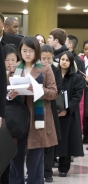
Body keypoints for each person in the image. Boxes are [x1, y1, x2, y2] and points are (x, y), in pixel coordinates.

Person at [8, 36, 58, 184]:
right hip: (18, 118)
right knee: (16, 156)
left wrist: (38, 89)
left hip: (38, 117)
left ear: (36, 51)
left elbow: (54, 92)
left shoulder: (45, 67)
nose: (27, 54)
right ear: (20, 51)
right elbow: (9, 91)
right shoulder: (16, 68)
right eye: (24, 50)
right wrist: (11, 95)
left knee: (36, 158)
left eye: (30, 51)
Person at [54, 51, 84, 177]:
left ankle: (63, 168)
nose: (64, 62)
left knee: (66, 141)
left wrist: (66, 110)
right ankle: (48, 167)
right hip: (54, 113)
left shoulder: (76, 78)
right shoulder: (54, 75)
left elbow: (77, 97)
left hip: (69, 114)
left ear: (71, 62)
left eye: (67, 60)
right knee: (53, 141)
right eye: (62, 59)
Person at [41, 44, 62, 182]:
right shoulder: (35, 68)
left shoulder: (55, 69)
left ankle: (47, 172)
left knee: (49, 141)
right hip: (35, 107)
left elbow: (58, 89)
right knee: (36, 142)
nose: (46, 61)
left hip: (51, 107)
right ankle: (34, 170)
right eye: (44, 58)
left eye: (49, 58)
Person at [0, 44, 18, 184]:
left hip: (12, 121)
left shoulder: (18, 74)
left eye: (14, 60)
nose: (11, 63)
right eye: (8, 60)